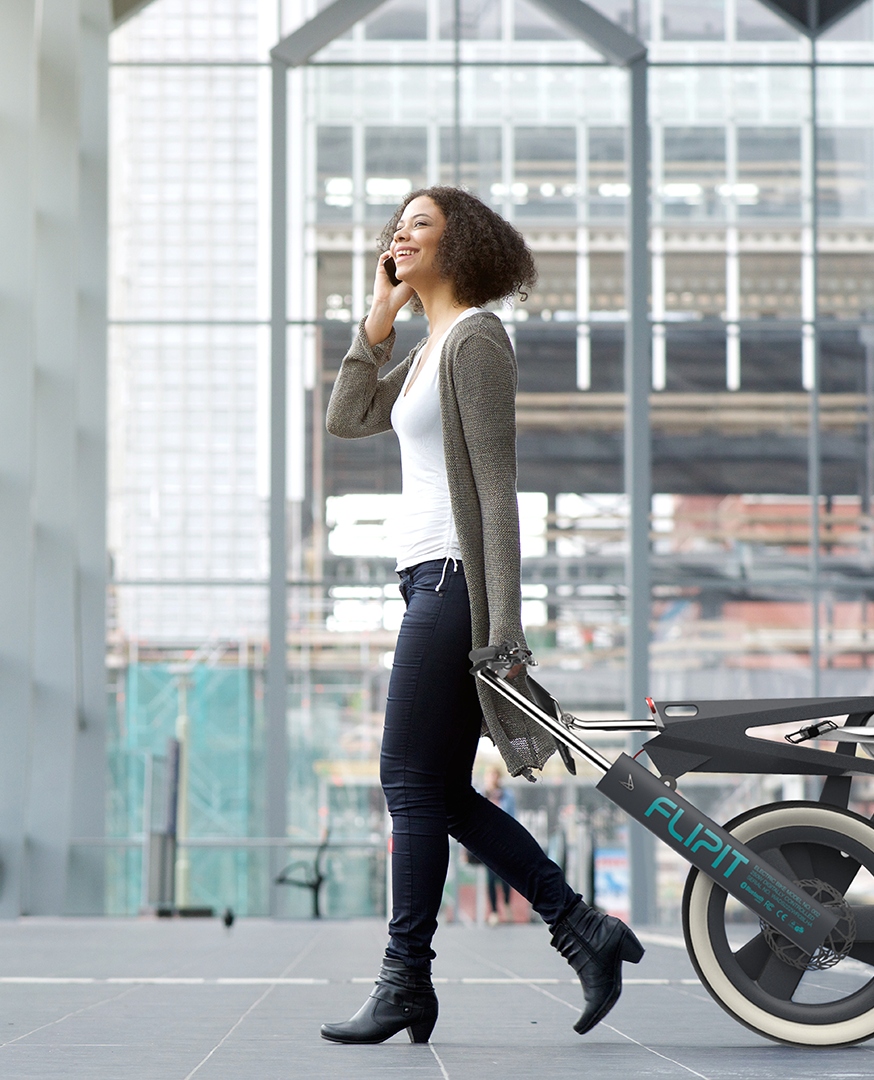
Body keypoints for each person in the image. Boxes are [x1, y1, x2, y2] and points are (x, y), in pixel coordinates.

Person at [318, 187, 643, 1046]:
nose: (400, 233)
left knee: (405, 782)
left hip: (459, 585)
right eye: (398, 226)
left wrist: (503, 631)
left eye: (418, 224)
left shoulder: (477, 341)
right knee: (435, 791)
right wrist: (379, 317)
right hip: (425, 580)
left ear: (459, 245)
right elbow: (346, 417)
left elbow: (498, 494)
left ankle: (405, 981)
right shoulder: (427, 348)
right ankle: (582, 929)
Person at [481, 767, 516, 924]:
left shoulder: (508, 796)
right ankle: (494, 911)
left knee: (506, 876)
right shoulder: (480, 795)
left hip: (503, 840)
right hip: (486, 841)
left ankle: (507, 905)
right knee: (490, 878)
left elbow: (512, 817)